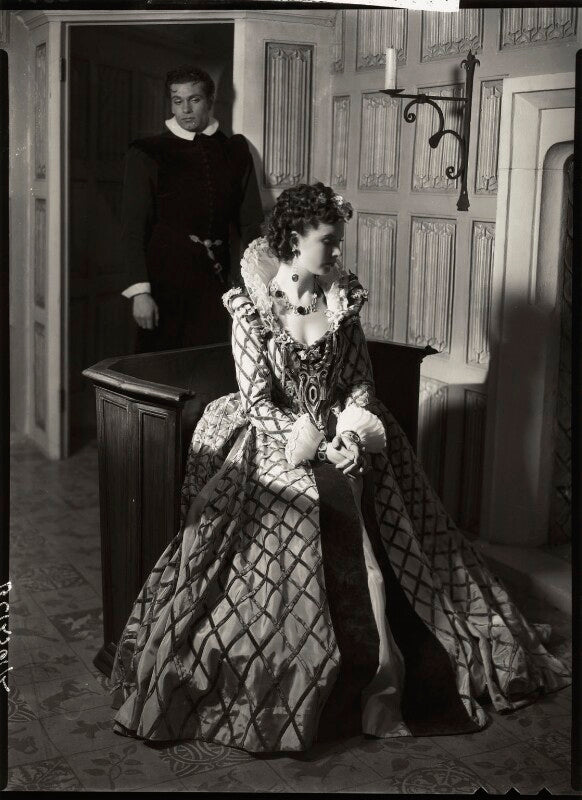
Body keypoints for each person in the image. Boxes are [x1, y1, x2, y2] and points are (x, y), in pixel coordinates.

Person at [110, 183, 570, 753]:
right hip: (280, 438)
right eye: (328, 242)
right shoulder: (252, 308)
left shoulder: (340, 299)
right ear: (293, 240)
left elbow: (360, 380)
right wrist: (311, 440)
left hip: (345, 431)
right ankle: (321, 678)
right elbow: (257, 403)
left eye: (338, 241)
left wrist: (351, 429)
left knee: (392, 537)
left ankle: (385, 678)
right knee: (312, 525)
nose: (336, 253)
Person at [120, 65, 264, 352]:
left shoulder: (234, 151)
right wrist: (140, 293)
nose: (185, 109)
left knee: (212, 366)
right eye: (177, 100)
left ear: (210, 102)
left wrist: (255, 285)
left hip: (218, 285)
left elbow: (250, 224)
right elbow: (132, 228)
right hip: (164, 286)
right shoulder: (147, 153)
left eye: (194, 100)